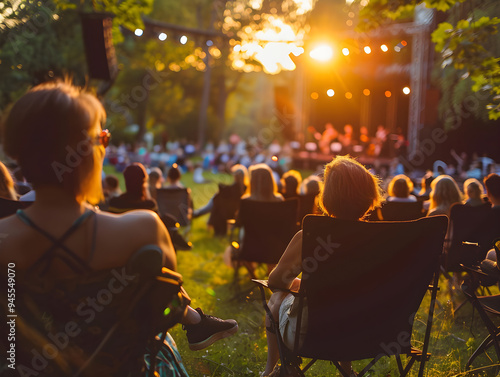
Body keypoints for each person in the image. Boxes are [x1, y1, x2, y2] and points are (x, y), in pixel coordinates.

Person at [0, 81, 237, 375]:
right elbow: (165, 311)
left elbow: (8, 345)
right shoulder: (144, 229)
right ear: (89, 153)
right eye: (103, 138)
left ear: (17, 152)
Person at [261, 155, 383, 377]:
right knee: (347, 301)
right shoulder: (381, 238)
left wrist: (297, 285)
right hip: (367, 332)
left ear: (328, 195)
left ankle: (273, 371)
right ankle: (347, 371)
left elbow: (275, 282)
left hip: (311, 334)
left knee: (278, 296)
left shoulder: (310, 236)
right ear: (369, 194)